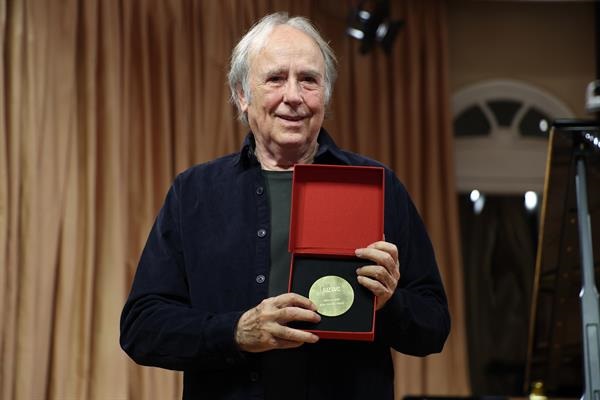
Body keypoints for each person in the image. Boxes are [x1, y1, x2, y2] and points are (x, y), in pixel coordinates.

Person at [120, 12, 450, 400]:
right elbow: (141, 328)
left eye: (308, 80)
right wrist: (237, 332)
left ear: (324, 96)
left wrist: (390, 301)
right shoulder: (194, 193)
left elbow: (433, 327)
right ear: (242, 95)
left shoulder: (378, 187)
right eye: (275, 78)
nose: (293, 96)